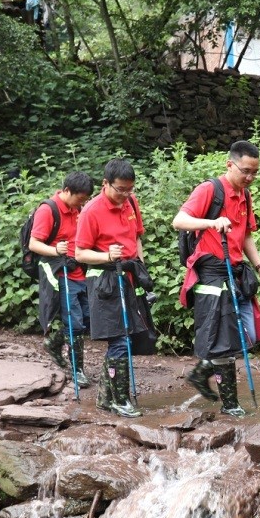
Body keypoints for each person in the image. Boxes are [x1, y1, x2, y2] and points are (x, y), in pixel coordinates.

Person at [173, 140, 260, 417]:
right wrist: (211, 222)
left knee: (248, 334)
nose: (250, 178)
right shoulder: (210, 190)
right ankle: (231, 405)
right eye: (246, 171)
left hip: (238, 272)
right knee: (223, 339)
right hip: (211, 273)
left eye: (255, 172)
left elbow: (247, 235)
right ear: (230, 164)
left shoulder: (245, 195)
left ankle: (202, 370)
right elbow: (179, 220)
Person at [74, 159, 149, 418]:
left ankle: (105, 400)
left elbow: (137, 235)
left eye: (130, 189)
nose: (125, 195)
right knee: (120, 338)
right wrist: (106, 255)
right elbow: (79, 253)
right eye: (120, 190)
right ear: (105, 184)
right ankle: (120, 400)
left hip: (128, 276)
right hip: (104, 280)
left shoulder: (130, 201)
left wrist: (140, 264)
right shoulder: (91, 211)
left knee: (128, 335)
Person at [28, 171, 94, 387]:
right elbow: (34, 244)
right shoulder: (48, 210)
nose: (82, 203)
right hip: (59, 272)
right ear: (67, 191)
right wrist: (56, 250)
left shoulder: (79, 208)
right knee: (74, 323)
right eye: (80, 198)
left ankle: (53, 344)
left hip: (79, 271)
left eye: (85, 199)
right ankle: (78, 371)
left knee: (86, 318)